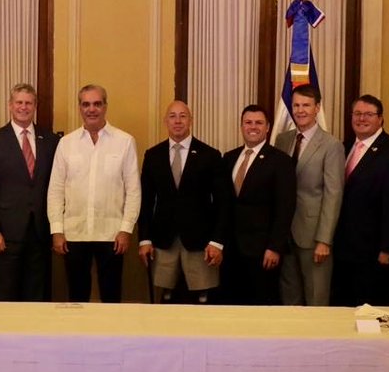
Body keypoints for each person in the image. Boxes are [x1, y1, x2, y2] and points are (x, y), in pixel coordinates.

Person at [48, 85, 140, 303]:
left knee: (111, 296)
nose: (92, 109)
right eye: (86, 104)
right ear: (80, 107)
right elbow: (55, 190)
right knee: (77, 297)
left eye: (97, 103)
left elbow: (133, 190)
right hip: (74, 234)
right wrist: (57, 231)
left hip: (112, 235)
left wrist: (126, 229)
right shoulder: (66, 143)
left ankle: (111, 337)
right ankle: (78, 337)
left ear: (105, 106)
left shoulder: (124, 141)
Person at [137, 100, 230, 303]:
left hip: (201, 242)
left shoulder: (210, 155)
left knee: (202, 298)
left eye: (183, 116)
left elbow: (223, 203)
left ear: (191, 121)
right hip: (163, 240)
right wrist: (144, 239)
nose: (177, 121)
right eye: (172, 116)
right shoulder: (153, 155)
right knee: (166, 298)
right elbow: (145, 201)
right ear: (165, 121)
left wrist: (217, 241)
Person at [0, 83, 59, 301]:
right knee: (6, 293)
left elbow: (57, 186)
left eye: (28, 103)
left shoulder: (51, 140)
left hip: (41, 232)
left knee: (37, 293)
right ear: (10, 106)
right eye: (19, 102)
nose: (24, 107)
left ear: (35, 106)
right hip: (6, 233)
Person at [331, 95, 389, 306]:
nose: (361, 119)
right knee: (341, 312)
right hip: (343, 249)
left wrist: (388, 248)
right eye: (357, 114)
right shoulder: (344, 146)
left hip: (373, 254)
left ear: (380, 119)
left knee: (370, 313)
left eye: (368, 114)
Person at [274, 85, 344, 306]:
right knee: (289, 297)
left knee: (316, 298)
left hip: (313, 236)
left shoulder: (331, 145)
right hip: (285, 234)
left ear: (317, 108)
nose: (300, 110)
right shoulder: (283, 140)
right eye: (296, 105)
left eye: (306, 105)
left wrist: (324, 240)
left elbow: (333, 194)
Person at [222, 104, 296, 305]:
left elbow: (285, 208)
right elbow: (224, 206)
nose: (252, 127)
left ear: (268, 127)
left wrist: (274, 247)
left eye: (258, 123)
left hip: (263, 251)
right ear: (241, 126)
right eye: (248, 122)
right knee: (232, 306)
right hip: (231, 250)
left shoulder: (281, 161)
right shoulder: (228, 158)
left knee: (262, 306)